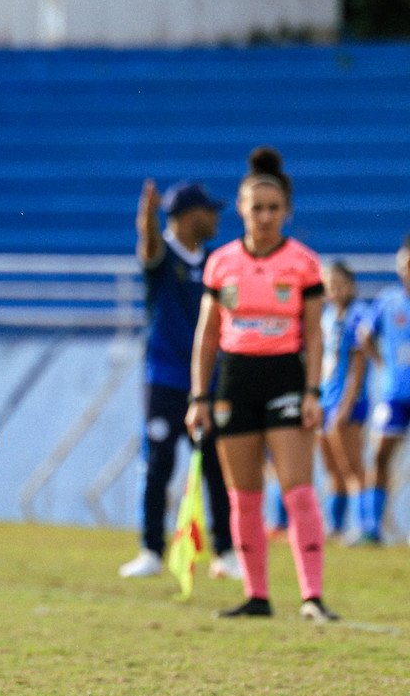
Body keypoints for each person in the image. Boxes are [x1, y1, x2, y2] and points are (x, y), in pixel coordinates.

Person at [185, 147, 336, 622]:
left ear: (286, 211)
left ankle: (312, 597)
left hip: (286, 378)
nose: (266, 217)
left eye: (274, 208)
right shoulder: (221, 263)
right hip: (234, 381)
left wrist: (313, 392)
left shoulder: (304, 263)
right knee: (243, 496)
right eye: (257, 208)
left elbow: (315, 334)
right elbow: (208, 334)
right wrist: (199, 397)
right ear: (242, 209)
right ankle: (257, 597)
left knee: (298, 490)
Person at [119, 179, 238, 581]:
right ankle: (151, 550)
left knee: (217, 468)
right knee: (159, 465)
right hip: (165, 378)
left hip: (210, 380)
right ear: (188, 216)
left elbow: (228, 315)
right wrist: (146, 218)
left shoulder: (217, 262)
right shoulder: (164, 256)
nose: (216, 219)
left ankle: (226, 552)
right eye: (209, 211)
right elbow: (149, 247)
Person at [357, 234, 410, 544]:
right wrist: (381, 363)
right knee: (379, 455)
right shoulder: (389, 301)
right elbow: (364, 334)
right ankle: (371, 527)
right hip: (395, 395)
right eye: (404, 265)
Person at [316, 260, 372, 539]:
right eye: (329, 285)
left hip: (348, 402)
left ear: (351, 285)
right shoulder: (327, 317)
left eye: (339, 284)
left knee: (352, 464)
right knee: (332, 466)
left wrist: (346, 405)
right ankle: (336, 526)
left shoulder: (358, 315)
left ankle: (364, 526)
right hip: (326, 400)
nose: (334, 290)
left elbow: (358, 365)